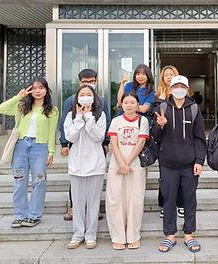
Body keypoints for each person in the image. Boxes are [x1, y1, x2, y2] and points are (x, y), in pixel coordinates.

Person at [151, 75, 206, 253]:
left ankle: (189, 234)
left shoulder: (194, 109)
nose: (179, 89)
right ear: (170, 89)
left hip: (189, 164)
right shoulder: (162, 107)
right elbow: (155, 136)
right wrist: (160, 126)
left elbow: (199, 137)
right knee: (169, 200)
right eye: (176, 86)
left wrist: (199, 160)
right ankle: (170, 235)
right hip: (167, 163)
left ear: (187, 89)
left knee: (190, 200)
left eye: (182, 86)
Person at [0, 77, 59, 228]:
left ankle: (34, 215)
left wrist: (51, 152)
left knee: (39, 180)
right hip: (21, 146)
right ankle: (20, 215)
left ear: (46, 90)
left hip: (40, 147)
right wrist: (19, 96)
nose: (38, 91)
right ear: (30, 90)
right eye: (35, 88)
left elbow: (51, 133)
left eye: (41, 88)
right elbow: (0, 109)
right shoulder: (21, 106)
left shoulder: (52, 110)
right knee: (19, 180)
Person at [59, 68, 110, 221]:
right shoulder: (70, 101)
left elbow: (106, 121)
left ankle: (94, 210)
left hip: (95, 142)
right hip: (77, 144)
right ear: (79, 82)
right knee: (77, 176)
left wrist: (106, 142)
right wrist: (64, 144)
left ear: (96, 81)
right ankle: (75, 207)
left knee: (94, 177)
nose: (88, 84)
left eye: (91, 81)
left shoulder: (101, 100)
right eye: (85, 81)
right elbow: (64, 124)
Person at [63, 85, 106, 250]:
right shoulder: (70, 116)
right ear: (77, 98)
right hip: (77, 164)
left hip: (95, 163)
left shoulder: (100, 115)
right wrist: (80, 118)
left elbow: (98, 137)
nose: (86, 97)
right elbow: (71, 137)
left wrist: (88, 117)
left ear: (94, 98)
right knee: (78, 202)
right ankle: (78, 234)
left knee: (94, 202)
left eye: (89, 94)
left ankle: (91, 234)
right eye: (82, 94)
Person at [105, 92, 150, 250]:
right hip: (116, 165)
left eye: (132, 102)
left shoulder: (142, 120)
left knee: (135, 199)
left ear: (137, 105)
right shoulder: (116, 121)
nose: (129, 105)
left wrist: (128, 162)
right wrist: (122, 164)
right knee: (115, 198)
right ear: (121, 104)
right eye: (126, 102)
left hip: (135, 165)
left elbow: (141, 142)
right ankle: (117, 236)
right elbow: (113, 144)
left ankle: (133, 235)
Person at [154, 65, 185, 219]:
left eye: (171, 74)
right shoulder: (158, 94)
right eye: (166, 75)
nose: (168, 77)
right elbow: (153, 114)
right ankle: (165, 205)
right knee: (165, 177)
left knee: (181, 177)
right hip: (164, 141)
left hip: (180, 140)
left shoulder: (183, 95)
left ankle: (181, 204)